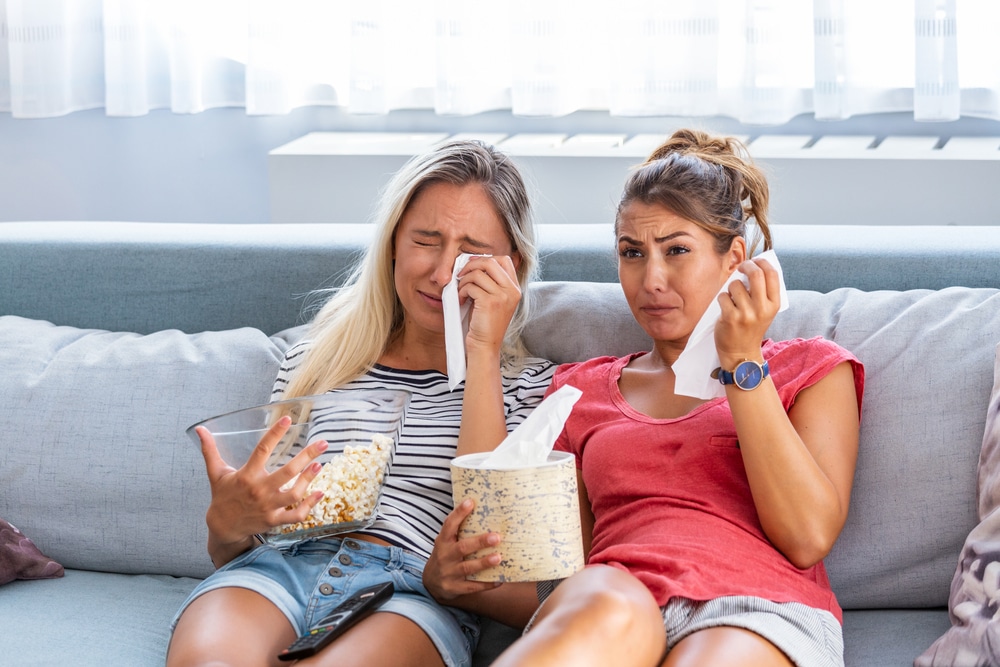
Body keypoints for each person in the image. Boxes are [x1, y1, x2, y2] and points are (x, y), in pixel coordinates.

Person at [423, 129, 865, 667]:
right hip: (613, 598)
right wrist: (455, 584)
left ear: (736, 259)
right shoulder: (578, 389)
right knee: (605, 598)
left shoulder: (809, 367)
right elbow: (545, 562)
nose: (651, 279)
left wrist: (741, 361)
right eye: (632, 253)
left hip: (756, 608)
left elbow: (806, 537)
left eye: (677, 250)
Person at [166, 139, 555, 667]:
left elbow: (493, 551)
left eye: (470, 253)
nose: (442, 273)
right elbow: (252, 535)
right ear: (394, 242)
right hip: (277, 569)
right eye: (426, 240)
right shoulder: (318, 359)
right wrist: (226, 526)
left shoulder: (534, 390)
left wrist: (482, 349)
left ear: (513, 266)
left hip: (409, 593)